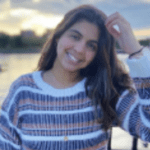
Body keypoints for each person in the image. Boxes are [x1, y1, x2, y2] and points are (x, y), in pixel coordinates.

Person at [0, 4, 150, 150]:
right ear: (58, 35)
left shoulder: (105, 91)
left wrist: (136, 52)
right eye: (75, 36)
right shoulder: (22, 90)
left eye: (91, 46)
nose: (79, 49)